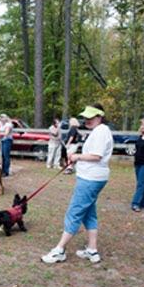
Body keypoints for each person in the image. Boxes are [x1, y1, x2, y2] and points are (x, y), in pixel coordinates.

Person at [41, 104, 113, 264]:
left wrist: (76, 157)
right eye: (86, 117)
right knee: (89, 213)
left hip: (91, 179)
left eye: (91, 117)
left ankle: (60, 250)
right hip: (92, 177)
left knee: (74, 212)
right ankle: (92, 251)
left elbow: (96, 156)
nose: (87, 120)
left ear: (99, 117)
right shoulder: (99, 131)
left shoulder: (101, 131)